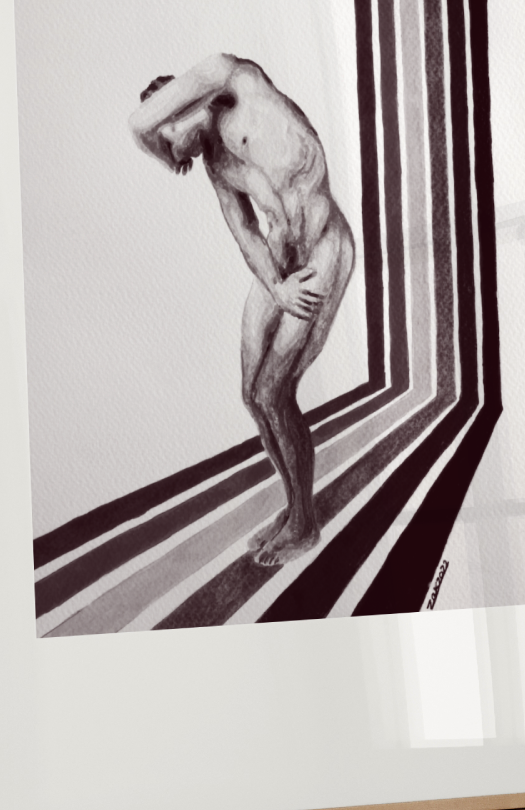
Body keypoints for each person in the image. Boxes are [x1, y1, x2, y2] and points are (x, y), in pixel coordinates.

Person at [129, 54, 355, 566]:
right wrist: (275, 289)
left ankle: (304, 524)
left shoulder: (237, 81)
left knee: (275, 393)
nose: (171, 156)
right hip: (279, 264)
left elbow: (137, 124)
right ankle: (295, 503)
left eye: (168, 140)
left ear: (175, 110)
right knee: (251, 396)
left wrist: (162, 152)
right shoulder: (217, 164)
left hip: (322, 248)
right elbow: (245, 235)